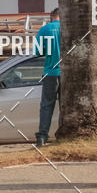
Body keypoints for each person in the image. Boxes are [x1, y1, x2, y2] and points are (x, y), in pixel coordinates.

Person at [35, 8, 61, 147]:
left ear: (51, 17)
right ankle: (63, 133)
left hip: (50, 72)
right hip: (67, 74)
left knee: (46, 105)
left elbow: (38, 52)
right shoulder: (68, 28)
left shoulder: (44, 29)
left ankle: (42, 137)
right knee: (65, 106)